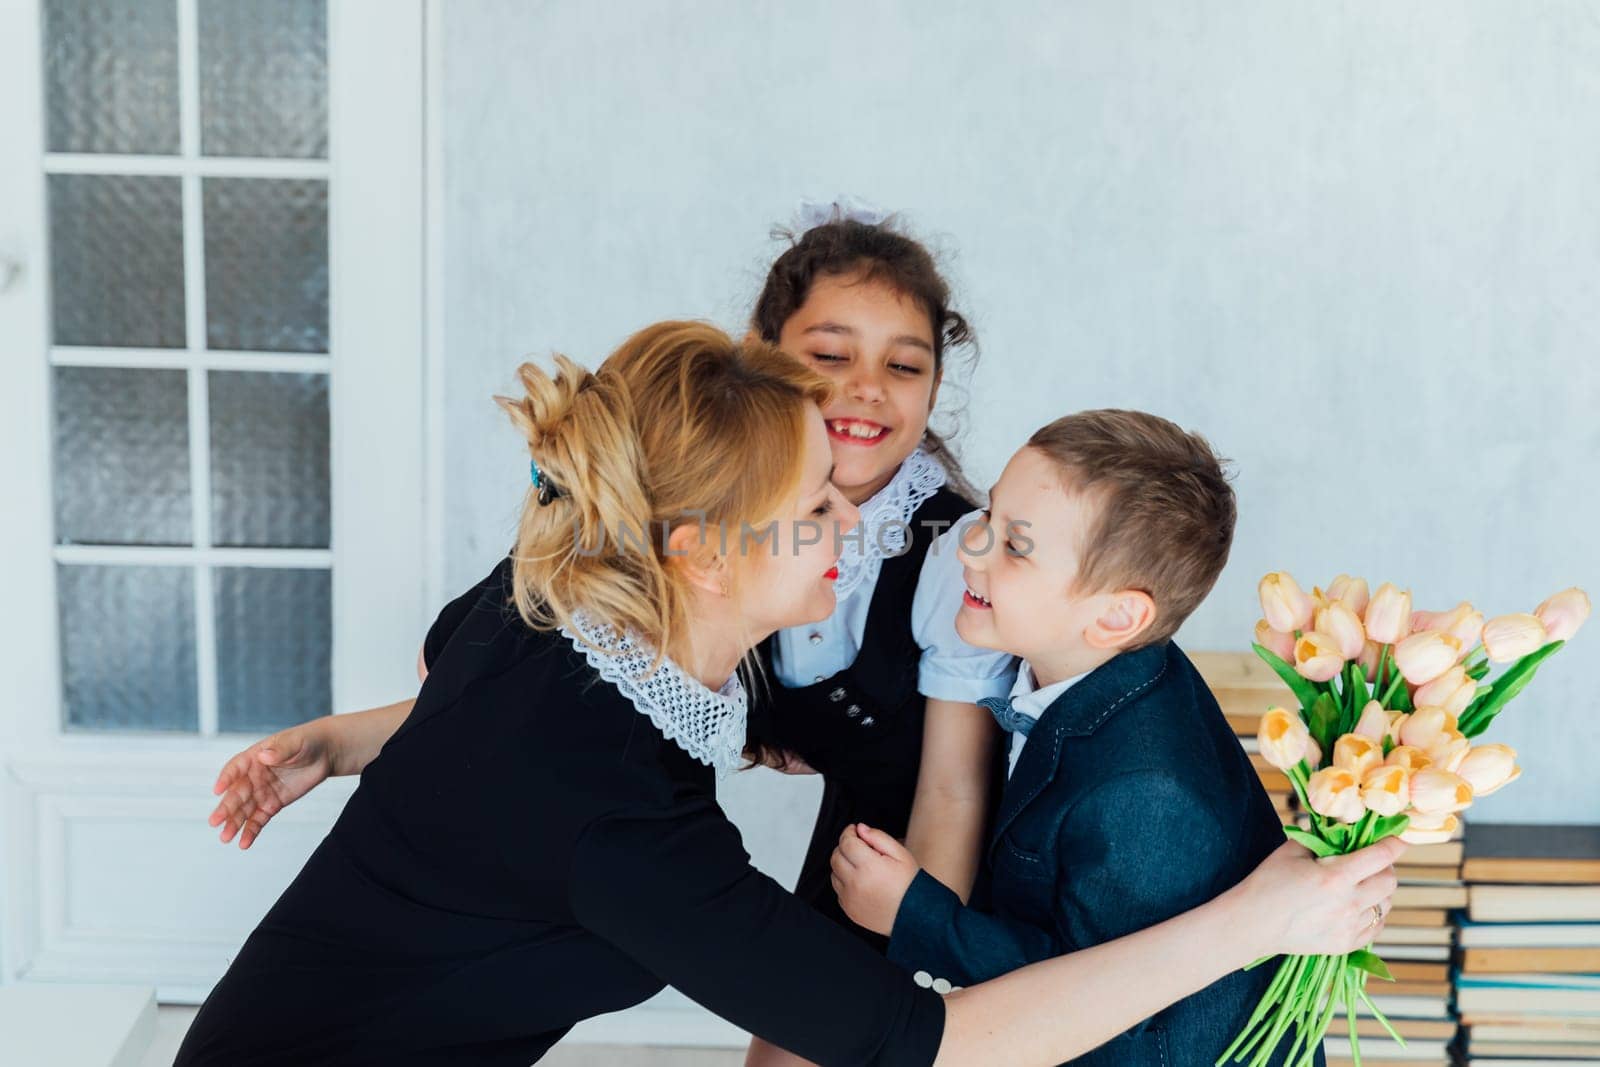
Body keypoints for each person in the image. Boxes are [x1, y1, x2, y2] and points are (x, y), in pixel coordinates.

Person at [179, 325, 1402, 1066]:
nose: (853, 521)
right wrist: (1260, 920)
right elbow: (939, 1045)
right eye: (817, 505)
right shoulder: (624, 828)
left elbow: (479, 727)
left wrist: (343, 744)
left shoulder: (557, 590)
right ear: (701, 550)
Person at [831, 410, 1347, 1065]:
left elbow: (1094, 997)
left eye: (1014, 547)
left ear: (1116, 615)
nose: (971, 546)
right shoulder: (1087, 662)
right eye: (988, 515)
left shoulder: (1147, 791)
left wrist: (915, 915)